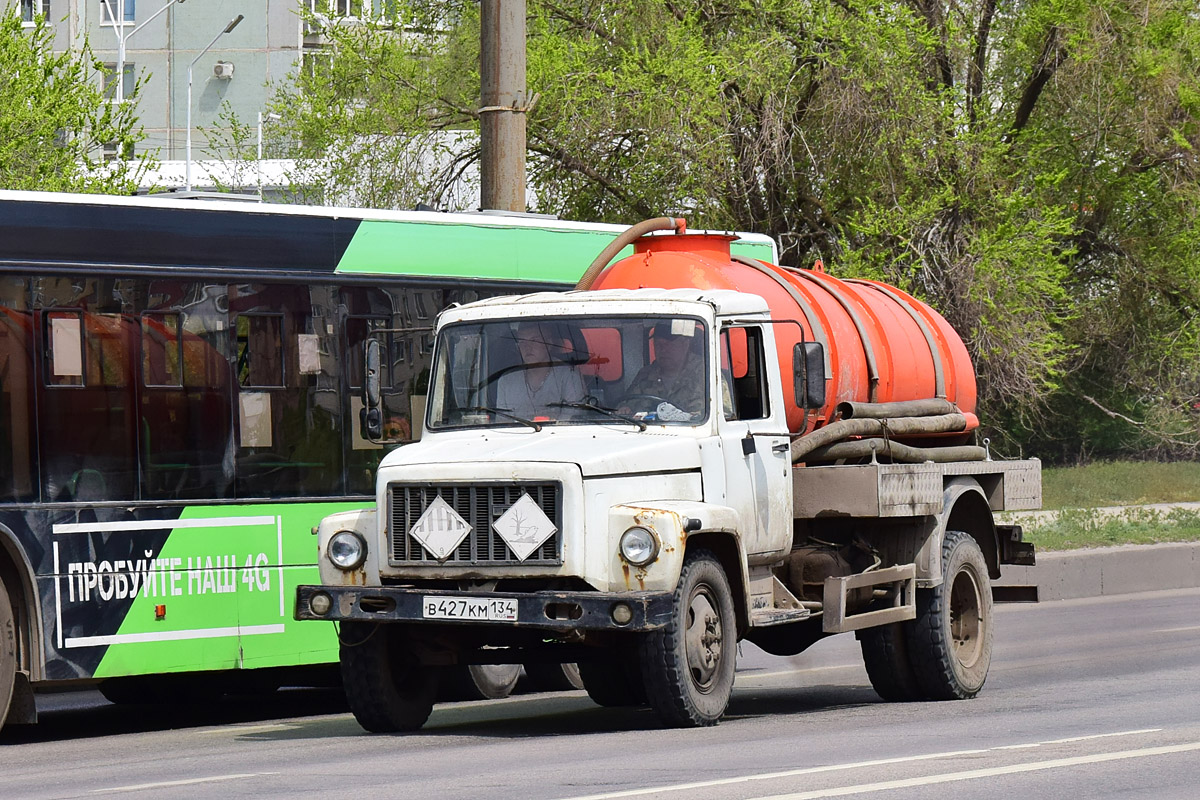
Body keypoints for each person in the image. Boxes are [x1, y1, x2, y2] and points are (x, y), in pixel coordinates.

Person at [495, 321, 585, 419]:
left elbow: (573, 421)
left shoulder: (569, 376)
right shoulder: (506, 381)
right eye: (522, 342)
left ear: (549, 343)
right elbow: (501, 423)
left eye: (534, 340)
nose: (527, 347)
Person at [622, 320, 705, 418]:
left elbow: (722, 413)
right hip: (646, 431)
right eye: (658, 344)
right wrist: (625, 409)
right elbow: (625, 404)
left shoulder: (706, 373)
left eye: (669, 344)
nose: (663, 350)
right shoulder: (645, 374)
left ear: (685, 344)